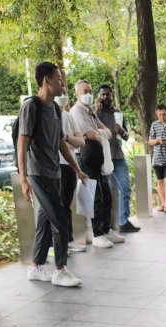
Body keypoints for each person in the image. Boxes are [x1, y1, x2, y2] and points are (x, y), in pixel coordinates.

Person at [19, 62, 88, 287]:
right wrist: (23, 179)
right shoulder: (31, 106)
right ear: (46, 81)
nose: (62, 83)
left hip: (54, 172)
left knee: (46, 220)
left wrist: (77, 169)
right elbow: (22, 144)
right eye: (58, 79)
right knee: (60, 219)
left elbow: (61, 144)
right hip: (37, 173)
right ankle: (60, 270)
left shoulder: (56, 110)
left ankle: (35, 267)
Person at [70, 80, 125, 248]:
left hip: (98, 157)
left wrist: (98, 133)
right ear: (77, 94)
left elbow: (107, 132)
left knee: (106, 194)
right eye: (84, 91)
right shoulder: (77, 112)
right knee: (95, 196)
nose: (88, 94)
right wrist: (98, 133)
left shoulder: (90, 113)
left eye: (90, 91)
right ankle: (97, 234)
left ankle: (106, 229)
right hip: (86, 157)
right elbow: (91, 135)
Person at [95, 84, 140, 232]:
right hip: (103, 159)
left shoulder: (118, 113)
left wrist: (121, 131)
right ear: (98, 96)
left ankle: (123, 222)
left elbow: (126, 136)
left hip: (118, 157)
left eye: (108, 94)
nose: (105, 97)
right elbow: (91, 128)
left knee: (125, 189)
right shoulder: (96, 113)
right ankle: (106, 225)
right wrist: (96, 109)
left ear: (112, 96)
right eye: (102, 94)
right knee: (105, 194)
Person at [51, 86, 86, 255]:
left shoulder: (68, 117)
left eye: (65, 92)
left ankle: (68, 240)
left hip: (70, 165)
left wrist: (65, 137)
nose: (62, 95)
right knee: (54, 207)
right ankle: (53, 245)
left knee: (66, 205)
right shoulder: (48, 115)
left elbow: (81, 142)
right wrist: (69, 141)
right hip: (54, 167)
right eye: (61, 91)